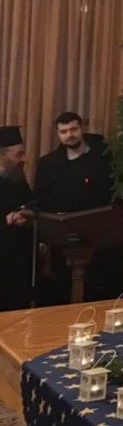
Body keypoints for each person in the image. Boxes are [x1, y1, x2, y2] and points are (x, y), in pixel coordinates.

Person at [35, 112, 123, 302]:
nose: (69, 135)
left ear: (82, 128)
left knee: (106, 286)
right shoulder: (48, 164)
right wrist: (43, 236)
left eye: (73, 129)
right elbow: (41, 199)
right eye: (63, 131)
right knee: (63, 287)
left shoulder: (106, 156)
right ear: (57, 134)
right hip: (66, 238)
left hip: (104, 235)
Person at [0, 126, 33, 311]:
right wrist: (6, 220)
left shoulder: (17, 178)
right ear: (2, 156)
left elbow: (31, 202)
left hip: (20, 258)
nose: (24, 159)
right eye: (18, 154)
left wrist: (27, 213)